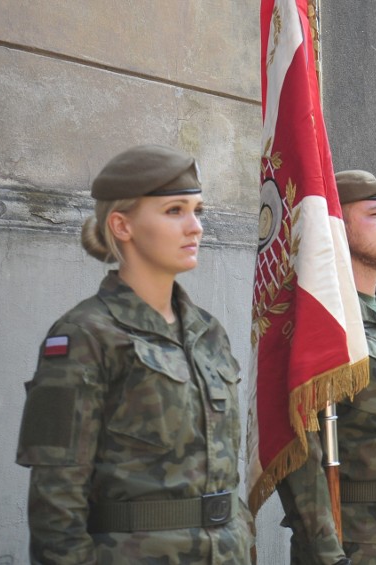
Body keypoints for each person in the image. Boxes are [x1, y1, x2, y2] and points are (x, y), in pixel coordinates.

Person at [15, 145, 254, 563]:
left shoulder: (208, 332)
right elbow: (57, 505)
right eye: (175, 211)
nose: (195, 227)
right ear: (122, 225)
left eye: (198, 210)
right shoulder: (85, 335)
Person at [276, 170, 376, 564]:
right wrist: (328, 555)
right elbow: (300, 452)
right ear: (337, 227)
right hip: (357, 544)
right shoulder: (323, 326)